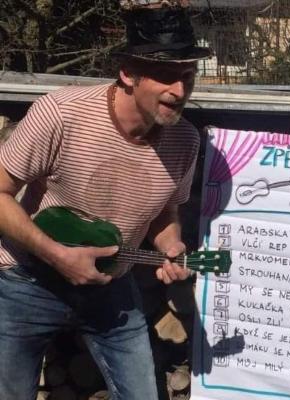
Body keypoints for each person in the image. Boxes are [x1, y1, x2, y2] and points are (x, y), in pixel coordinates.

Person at [0, 5, 211, 400]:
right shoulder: (61, 113)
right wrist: (57, 255)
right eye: (166, 75)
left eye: (187, 76)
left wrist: (171, 245)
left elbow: (166, 211)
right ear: (128, 73)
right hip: (26, 280)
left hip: (111, 286)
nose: (180, 91)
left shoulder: (186, 141)